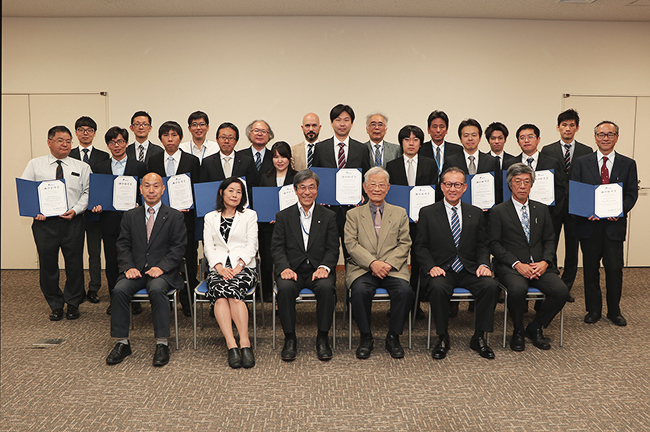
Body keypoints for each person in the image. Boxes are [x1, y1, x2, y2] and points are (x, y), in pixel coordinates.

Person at [414, 167, 499, 360]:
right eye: (449, 184)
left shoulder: (475, 213)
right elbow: (420, 247)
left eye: (458, 184)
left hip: (469, 269)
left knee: (490, 286)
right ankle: (442, 337)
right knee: (437, 288)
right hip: (442, 270)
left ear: (465, 188)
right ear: (442, 187)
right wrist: (430, 267)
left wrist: (484, 264)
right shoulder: (428, 212)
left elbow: (483, 245)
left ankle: (479, 337)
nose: (453, 188)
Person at [105, 173, 187, 367]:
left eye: (156, 186)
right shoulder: (130, 215)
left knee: (157, 289)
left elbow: (179, 247)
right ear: (140, 189)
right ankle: (122, 342)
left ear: (163, 189)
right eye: (147, 186)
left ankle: (162, 343)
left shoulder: (174, 216)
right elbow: (123, 244)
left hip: (163, 272)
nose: (151, 190)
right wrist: (128, 267)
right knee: (119, 290)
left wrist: (162, 267)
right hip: (136, 270)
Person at [489, 163, 569, 351]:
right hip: (511, 267)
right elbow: (494, 244)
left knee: (561, 291)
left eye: (527, 181)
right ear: (510, 185)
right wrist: (517, 264)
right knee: (517, 290)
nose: (523, 186)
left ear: (532, 185)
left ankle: (535, 327)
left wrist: (544, 262)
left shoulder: (541, 209)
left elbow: (550, 239)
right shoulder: (498, 211)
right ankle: (517, 330)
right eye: (518, 182)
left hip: (540, 265)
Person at [21, 125, 91, 321]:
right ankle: (55, 304)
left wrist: (76, 210)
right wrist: (35, 211)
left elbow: (87, 193)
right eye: (60, 140)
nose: (65, 144)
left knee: (75, 265)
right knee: (48, 265)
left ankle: (73, 304)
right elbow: (27, 192)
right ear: (49, 142)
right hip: (45, 225)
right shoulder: (35, 165)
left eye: (68, 141)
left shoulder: (81, 167)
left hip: (73, 222)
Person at [572, 121, 638, 327]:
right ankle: (593, 310)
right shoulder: (582, 162)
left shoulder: (628, 164)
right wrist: (585, 212)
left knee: (614, 269)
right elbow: (575, 193)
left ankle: (614, 311)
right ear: (595, 137)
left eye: (610, 134)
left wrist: (620, 210)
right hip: (589, 226)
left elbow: (631, 194)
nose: (605, 138)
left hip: (613, 227)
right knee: (590, 270)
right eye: (601, 134)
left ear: (617, 137)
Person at [345, 167, 414, 359]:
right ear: (365, 187)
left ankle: (393, 336)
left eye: (381, 185)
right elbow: (351, 244)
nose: (377, 189)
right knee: (359, 291)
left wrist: (388, 265)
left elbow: (405, 243)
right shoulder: (353, 214)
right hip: (362, 268)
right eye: (372, 184)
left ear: (388, 187)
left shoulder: (399, 213)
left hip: (393, 268)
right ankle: (366, 337)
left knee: (405, 292)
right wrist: (372, 263)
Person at [271, 170, 339, 361]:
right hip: (292, 270)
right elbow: (277, 247)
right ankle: (290, 338)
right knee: (284, 289)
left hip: (318, 269)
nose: (307, 192)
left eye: (311, 187)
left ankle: (323, 338)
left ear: (317, 190)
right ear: (295, 190)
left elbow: (333, 248)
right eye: (302, 187)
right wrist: (284, 267)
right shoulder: (284, 216)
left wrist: (325, 267)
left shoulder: (328, 216)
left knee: (327, 288)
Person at [90, 126, 148, 314]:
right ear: (107, 145)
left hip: (134, 221)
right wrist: (96, 206)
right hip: (109, 221)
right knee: (112, 261)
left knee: (135, 260)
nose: (117, 145)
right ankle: (116, 298)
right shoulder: (99, 168)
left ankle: (134, 299)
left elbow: (145, 192)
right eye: (113, 142)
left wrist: (140, 205)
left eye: (120, 141)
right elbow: (96, 194)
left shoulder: (139, 166)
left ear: (126, 143)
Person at [203, 177, 259, 368]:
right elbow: (208, 246)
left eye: (239, 192)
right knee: (219, 296)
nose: (235, 195)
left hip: (243, 267)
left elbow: (252, 244)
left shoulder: (250, 215)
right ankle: (231, 344)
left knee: (234, 295)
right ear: (222, 192)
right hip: (218, 268)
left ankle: (245, 343)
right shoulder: (210, 217)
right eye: (231, 190)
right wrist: (218, 267)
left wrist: (238, 267)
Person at [148, 121, 201, 317]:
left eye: (174, 135)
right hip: (159, 220)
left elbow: (197, 190)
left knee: (188, 261)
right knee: (162, 259)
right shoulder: (153, 161)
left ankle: (188, 303)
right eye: (166, 135)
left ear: (180, 138)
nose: (170, 139)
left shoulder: (192, 161)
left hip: (185, 220)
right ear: (160, 138)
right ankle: (165, 302)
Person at [386, 125, 438, 318]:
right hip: (398, 223)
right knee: (396, 262)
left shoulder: (430, 164)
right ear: (401, 143)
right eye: (407, 139)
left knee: (418, 263)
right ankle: (396, 305)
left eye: (415, 139)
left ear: (421, 143)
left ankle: (415, 306)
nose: (411, 143)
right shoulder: (392, 165)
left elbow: (434, 193)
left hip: (421, 222)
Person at [541, 109, 592, 302]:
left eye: (572, 125)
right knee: (549, 248)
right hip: (553, 208)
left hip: (576, 209)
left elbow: (588, 181)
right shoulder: (548, 150)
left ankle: (566, 287)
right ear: (558, 127)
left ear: (577, 128)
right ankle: (552, 285)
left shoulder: (586, 151)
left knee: (572, 250)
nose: (568, 128)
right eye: (564, 125)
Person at [313, 104, 371, 258]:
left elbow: (366, 177)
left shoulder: (361, 149)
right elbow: (315, 177)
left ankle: (352, 281)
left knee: (352, 252)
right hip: (327, 209)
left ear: (352, 123)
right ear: (331, 123)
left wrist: (362, 195)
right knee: (327, 249)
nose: (342, 124)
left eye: (346, 120)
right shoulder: (320, 148)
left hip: (352, 210)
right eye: (338, 120)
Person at [69, 116, 109, 303]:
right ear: (76, 132)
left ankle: (94, 287)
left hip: (94, 213)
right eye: (82, 129)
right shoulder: (68, 155)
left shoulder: (103, 156)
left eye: (90, 130)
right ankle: (76, 288)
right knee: (74, 251)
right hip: (73, 213)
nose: (86, 133)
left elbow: (103, 184)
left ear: (94, 133)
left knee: (94, 252)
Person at [503, 124, 567, 237]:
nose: (526, 140)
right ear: (518, 142)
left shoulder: (552, 162)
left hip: (548, 216)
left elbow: (560, 189)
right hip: (517, 217)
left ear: (538, 139)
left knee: (548, 250)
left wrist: (552, 213)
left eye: (530, 137)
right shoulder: (510, 164)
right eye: (522, 138)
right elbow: (506, 189)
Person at [258, 141, 299, 302]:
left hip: (291, 226)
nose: (279, 160)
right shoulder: (265, 177)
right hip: (268, 227)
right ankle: (267, 291)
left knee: (288, 258)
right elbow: (261, 202)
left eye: (283, 156)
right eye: (275, 157)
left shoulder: (296, 177)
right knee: (268, 259)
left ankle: (288, 289)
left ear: (289, 158)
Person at [418, 110, 463, 175]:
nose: (438, 130)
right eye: (434, 127)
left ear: (447, 129)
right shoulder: (421, 149)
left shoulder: (457, 150)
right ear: (428, 130)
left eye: (441, 127)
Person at [237, 119, 274, 186]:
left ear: (269, 135)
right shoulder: (239, 155)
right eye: (256, 130)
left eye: (263, 131)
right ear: (249, 133)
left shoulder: (274, 156)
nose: (259, 134)